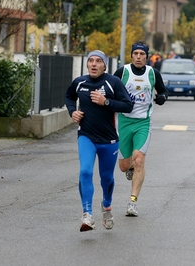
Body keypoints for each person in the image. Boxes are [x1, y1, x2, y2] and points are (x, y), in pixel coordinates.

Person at [65, 50, 133, 232]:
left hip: (109, 140)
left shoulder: (113, 83)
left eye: (98, 61)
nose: (94, 64)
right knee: (85, 171)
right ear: (87, 64)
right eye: (91, 61)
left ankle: (107, 206)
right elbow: (69, 96)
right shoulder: (80, 83)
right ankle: (87, 215)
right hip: (86, 136)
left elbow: (128, 105)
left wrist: (106, 102)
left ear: (104, 65)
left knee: (106, 178)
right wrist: (72, 111)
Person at [114, 41, 168, 217]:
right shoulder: (122, 72)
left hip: (143, 122)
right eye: (135, 53)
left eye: (142, 54)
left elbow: (163, 91)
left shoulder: (153, 73)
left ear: (147, 56)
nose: (138, 57)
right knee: (124, 166)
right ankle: (128, 167)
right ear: (131, 55)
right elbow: (109, 91)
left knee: (139, 160)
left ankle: (133, 202)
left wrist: (162, 98)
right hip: (123, 121)